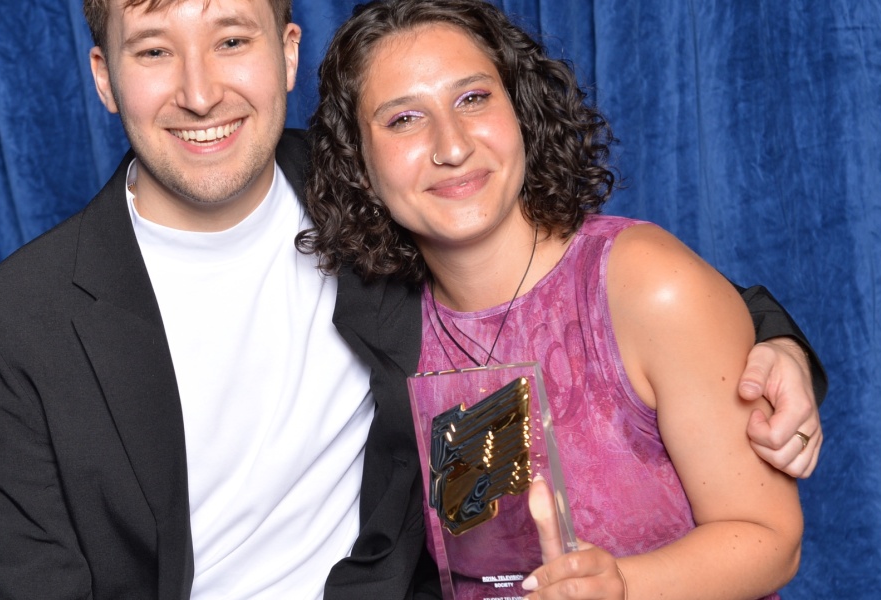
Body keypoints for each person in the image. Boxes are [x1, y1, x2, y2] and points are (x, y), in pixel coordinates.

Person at [0, 0, 824, 598]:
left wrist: (774, 344)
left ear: (287, 53)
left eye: (233, 39)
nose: (200, 90)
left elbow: (582, 282)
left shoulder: (370, 199)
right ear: (103, 77)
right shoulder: (11, 330)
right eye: (153, 50)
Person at [299, 1, 805, 598]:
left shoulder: (642, 283)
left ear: (521, 110)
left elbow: (772, 538)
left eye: (473, 98)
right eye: (404, 119)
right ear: (359, 163)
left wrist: (622, 584)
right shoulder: (391, 328)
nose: (452, 146)